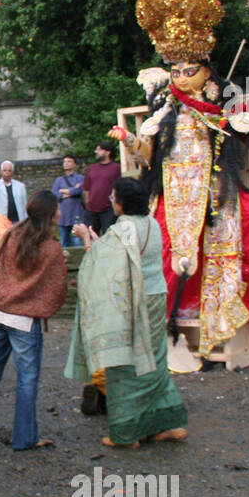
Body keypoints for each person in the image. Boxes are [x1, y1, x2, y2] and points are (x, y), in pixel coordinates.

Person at [115, 0, 249, 355]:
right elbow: (148, 152)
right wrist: (130, 141)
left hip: (215, 189)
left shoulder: (224, 103)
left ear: (206, 68)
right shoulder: (165, 106)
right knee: (160, 239)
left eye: (189, 70)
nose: (181, 77)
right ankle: (163, 321)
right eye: (175, 71)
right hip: (173, 191)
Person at [66, 178, 188, 449]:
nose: (110, 200)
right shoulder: (152, 223)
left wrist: (86, 238)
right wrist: (97, 240)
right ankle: (164, 424)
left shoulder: (123, 229)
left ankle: (127, 433)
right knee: (154, 359)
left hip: (133, 300)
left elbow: (101, 261)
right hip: (157, 296)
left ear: (122, 202)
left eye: (113, 197)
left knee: (125, 363)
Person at [0, 191, 68, 451]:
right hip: (24, 321)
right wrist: (40, 307)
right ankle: (25, 437)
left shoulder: (12, 233)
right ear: (52, 214)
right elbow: (57, 288)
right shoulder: (50, 247)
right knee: (27, 380)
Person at [81, 143, 121, 237]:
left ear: (107, 152)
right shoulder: (92, 168)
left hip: (108, 210)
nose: (96, 152)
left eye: (99, 149)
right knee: (90, 236)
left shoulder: (116, 168)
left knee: (109, 237)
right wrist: (88, 205)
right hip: (91, 210)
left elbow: (119, 188)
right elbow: (86, 188)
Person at [52, 154, 85, 247]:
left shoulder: (80, 178)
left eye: (69, 161)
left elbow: (79, 190)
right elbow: (54, 194)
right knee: (64, 242)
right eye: (65, 162)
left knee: (77, 242)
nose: (66, 164)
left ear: (74, 164)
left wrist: (63, 191)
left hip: (76, 214)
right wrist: (72, 191)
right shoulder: (59, 180)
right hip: (63, 215)